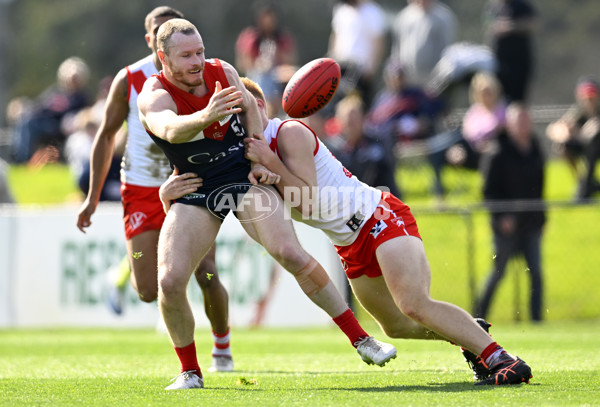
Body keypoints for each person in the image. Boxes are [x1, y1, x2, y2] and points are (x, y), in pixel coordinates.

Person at [137, 18, 397, 390]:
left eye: (200, 52)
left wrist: (258, 155)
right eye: (187, 56)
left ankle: (362, 340)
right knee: (169, 279)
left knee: (289, 252)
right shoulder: (153, 94)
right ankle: (190, 372)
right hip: (196, 187)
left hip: (243, 180)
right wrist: (206, 116)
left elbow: (250, 108)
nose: (197, 61)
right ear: (163, 57)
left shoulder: (221, 71)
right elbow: (168, 129)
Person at [236, 77, 532, 385]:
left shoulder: (289, 132)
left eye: (241, 110)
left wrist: (269, 162)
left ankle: (501, 358)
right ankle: (472, 335)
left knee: (413, 304)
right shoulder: (248, 156)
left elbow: (307, 201)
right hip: (347, 242)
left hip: (376, 216)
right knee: (395, 326)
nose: (236, 121)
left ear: (259, 106)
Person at [75, 7, 235, 374]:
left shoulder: (200, 73)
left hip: (192, 182)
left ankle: (221, 349)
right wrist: (92, 197)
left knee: (206, 271)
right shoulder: (130, 79)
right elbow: (106, 135)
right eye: (158, 32)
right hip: (143, 189)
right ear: (151, 41)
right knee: (148, 288)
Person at [475, 103, 545, 322]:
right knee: (498, 273)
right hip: (506, 226)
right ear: (510, 124)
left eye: (526, 120)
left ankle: (537, 321)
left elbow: (540, 186)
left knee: (535, 273)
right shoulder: (498, 151)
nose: (523, 125)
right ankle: (477, 318)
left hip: (531, 223)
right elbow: (487, 190)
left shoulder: (534, 148)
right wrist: (500, 216)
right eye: (518, 121)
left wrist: (542, 217)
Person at [11, 56, 90, 164]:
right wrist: (23, 107)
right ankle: (17, 156)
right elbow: (39, 105)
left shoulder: (81, 98)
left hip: (59, 127)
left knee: (28, 124)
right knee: (24, 120)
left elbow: (82, 116)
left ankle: (23, 159)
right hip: (43, 121)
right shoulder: (55, 92)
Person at [235, 1, 298, 118]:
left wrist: (276, 57)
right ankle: (266, 108)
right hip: (257, 77)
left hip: (278, 77)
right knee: (262, 78)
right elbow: (243, 64)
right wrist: (259, 64)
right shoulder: (250, 37)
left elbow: (289, 62)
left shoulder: (282, 38)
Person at [546, 77, 600, 201]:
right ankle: (583, 182)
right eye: (586, 98)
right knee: (561, 147)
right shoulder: (578, 112)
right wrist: (568, 132)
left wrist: (584, 134)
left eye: (592, 98)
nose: (589, 101)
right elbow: (554, 129)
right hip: (584, 146)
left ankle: (586, 186)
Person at [327, 0, 387, 105]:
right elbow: (335, 36)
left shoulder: (373, 11)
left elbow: (379, 43)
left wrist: (371, 70)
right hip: (340, 67)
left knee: (357, 105)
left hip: (360, 71)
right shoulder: (341, 10)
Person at [391, 0, 458, 88]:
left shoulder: (443, 17)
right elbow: (397, 48)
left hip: (433, 83)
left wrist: (439, 80)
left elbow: (448, 51)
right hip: (407, 81)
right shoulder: (404, 17)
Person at [483, 0, 537, 103]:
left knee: (517, 100)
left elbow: (532, 24)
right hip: (497, 61)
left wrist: (509, 27)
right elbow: (487, 23)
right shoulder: (493, 6)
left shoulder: (521, 5)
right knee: (498, 98)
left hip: (518, 62)